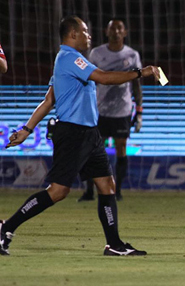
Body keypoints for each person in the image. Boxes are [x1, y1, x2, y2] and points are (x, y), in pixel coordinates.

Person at [0, 16, 159, 256]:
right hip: (73, 133)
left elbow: (48, 100)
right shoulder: (69, 58)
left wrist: (26, 130)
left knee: (107, 185)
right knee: (57, 191)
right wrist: (141, 72)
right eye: (85, 31)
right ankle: (5, 228)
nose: (89, 35)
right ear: (73, 34)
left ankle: (114, 245)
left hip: (89, 133)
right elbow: (104, 78)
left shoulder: (69, 60)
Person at [78, 19, 143, 202]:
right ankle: (90, 191)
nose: (116, 31)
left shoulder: (132, 54)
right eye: (112, 28)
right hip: (99, 111)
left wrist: (139, 111)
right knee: (93, 150)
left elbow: (137, 84)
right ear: (106, 31)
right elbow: (88, 80)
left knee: (121, 148)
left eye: (119, 28)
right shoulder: (97, 53)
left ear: (125, 32)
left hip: (122, 111)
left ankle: (118, 190)